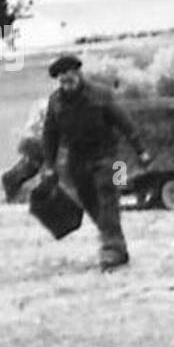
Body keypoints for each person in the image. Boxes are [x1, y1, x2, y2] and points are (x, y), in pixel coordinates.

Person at [39, 54, 153, 269]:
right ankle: (117, 245)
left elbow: (125, 123)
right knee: (91, 203)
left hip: (108, 157)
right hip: (77, 161)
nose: (66, 82)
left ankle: (111, 250)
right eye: (61, 79)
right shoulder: (55, 102)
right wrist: (49, 166)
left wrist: (141, 151)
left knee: (107, 196)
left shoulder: (101, 94)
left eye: (69, 76)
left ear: (78, 73)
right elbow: (49, 135)